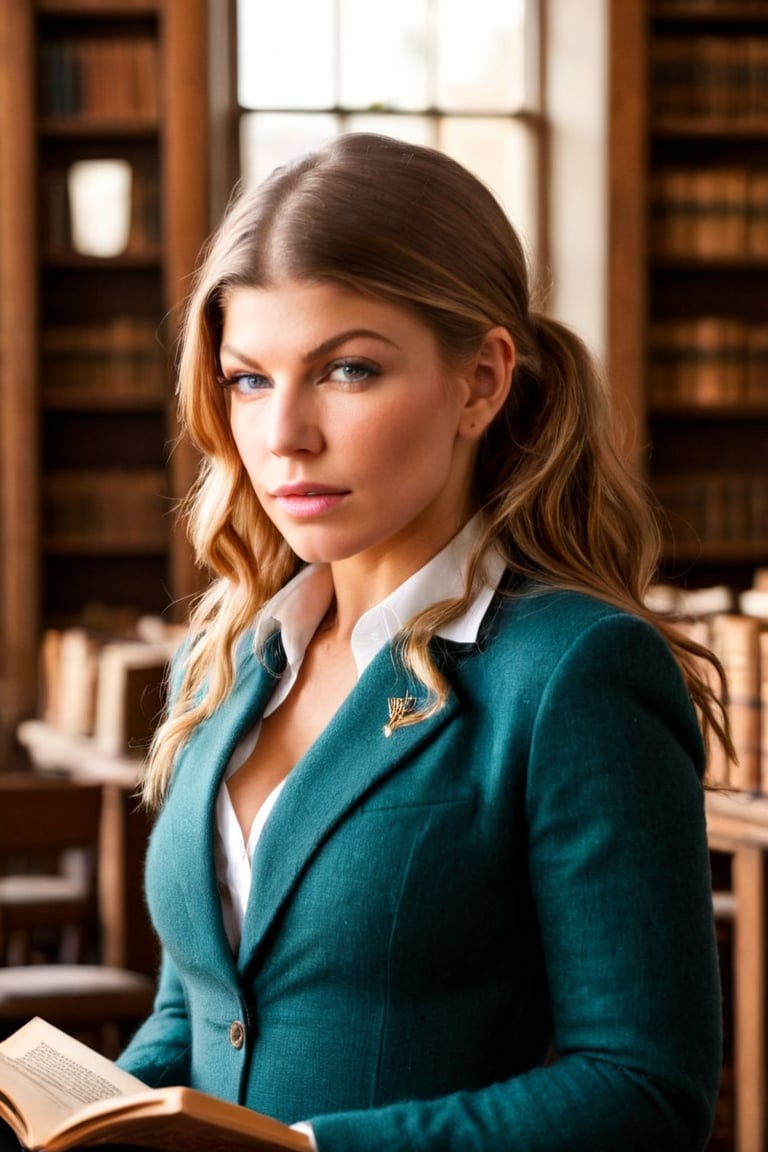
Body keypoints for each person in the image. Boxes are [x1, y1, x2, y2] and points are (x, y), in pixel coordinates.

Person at [116, 132, 728, 1151]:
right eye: (249, 379)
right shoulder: (221, 661)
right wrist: (86, 1121)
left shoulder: (574, 672)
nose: (283, 437)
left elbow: (644, 1090)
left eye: (346, 370)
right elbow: (205, 1008)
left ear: (483, 380)